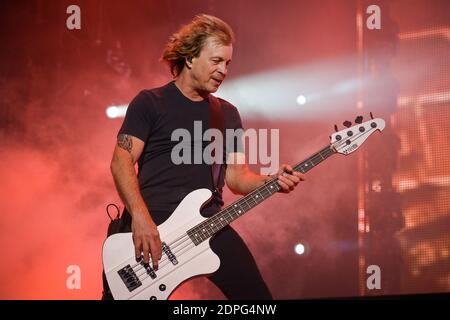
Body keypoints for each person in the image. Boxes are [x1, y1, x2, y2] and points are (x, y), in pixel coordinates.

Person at [102, 14, 305, 300]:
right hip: (153, 224)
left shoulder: (227, 114)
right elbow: (120, 161)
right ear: (190, 57)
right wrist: (141, 219)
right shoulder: (150, 102)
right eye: (216, 61)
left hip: (209, 225)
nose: (223, 70)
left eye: (228, 64)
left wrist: (273, 180)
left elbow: (237, 178)